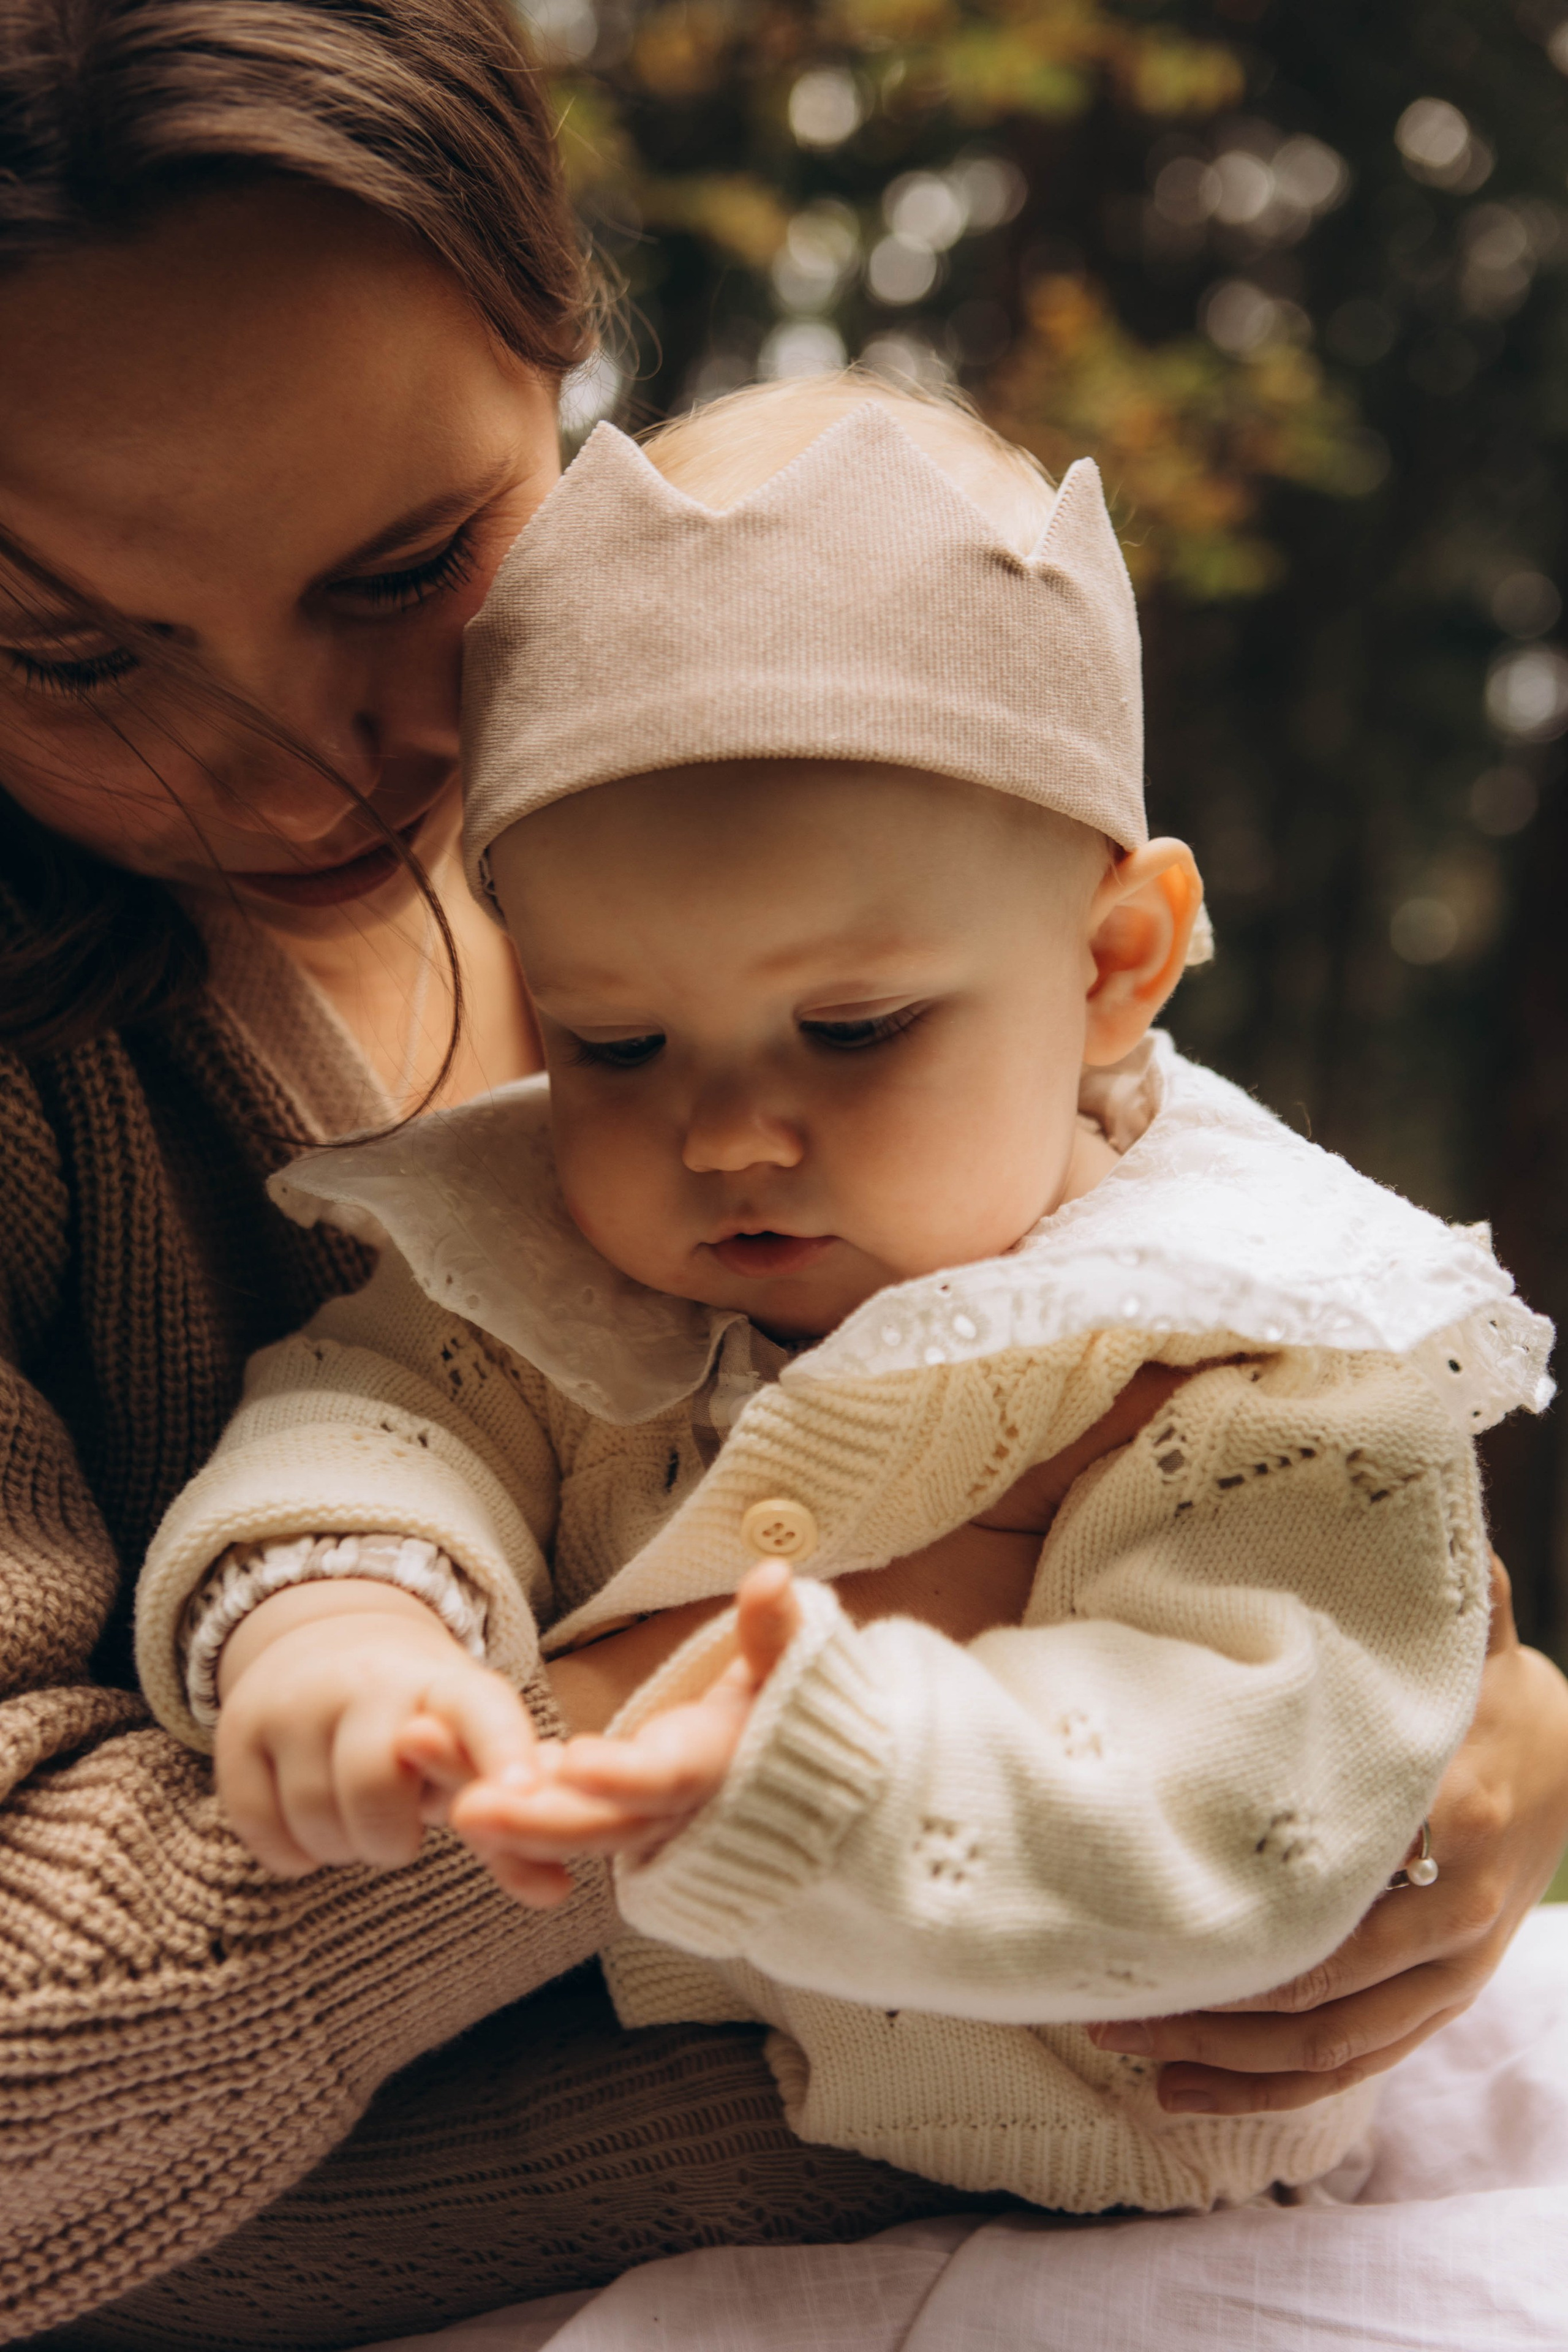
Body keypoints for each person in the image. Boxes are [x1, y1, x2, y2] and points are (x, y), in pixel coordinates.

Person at [0, 1, 1564, 2342]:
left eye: (404, 566)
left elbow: (1309, 1602)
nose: (303, 759)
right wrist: (734, 1693)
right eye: (78, 651)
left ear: (565, 370)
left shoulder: (777, 851)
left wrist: (1473, 1772)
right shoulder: (409, 1172)